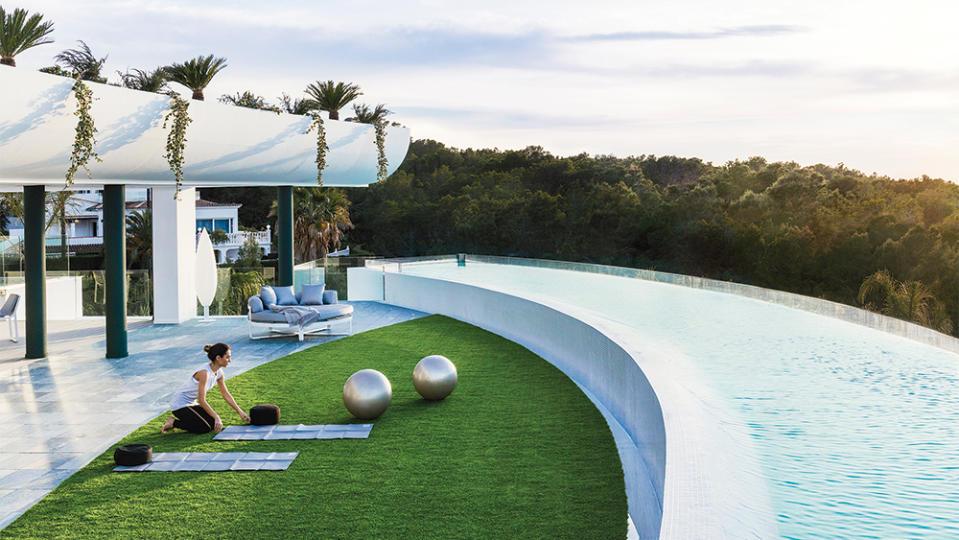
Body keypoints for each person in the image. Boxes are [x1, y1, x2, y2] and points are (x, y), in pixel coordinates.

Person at [161, 343, 250, 434]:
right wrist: (217, 417)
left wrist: (240, 411)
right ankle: (173, 422)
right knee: (204, 427)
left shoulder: (219, 373)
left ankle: (180, 422)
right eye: (227, 357)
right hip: (180, 404)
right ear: (218, 358)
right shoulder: (204, 373)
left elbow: (225, 394)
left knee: (212, 424)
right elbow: (202, 400)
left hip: (192, 403)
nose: (229, 360)